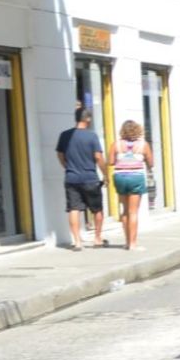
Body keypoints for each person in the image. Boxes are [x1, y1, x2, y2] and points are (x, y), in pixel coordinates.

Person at [57, 106, 106, 250]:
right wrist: (106, 174)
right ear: (88, 119)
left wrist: (66, 166)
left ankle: (77, 242)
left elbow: (60, 154)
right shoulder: (91, 136)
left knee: (73, 209)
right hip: (90, 178)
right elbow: (98, 157)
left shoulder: (64, 135)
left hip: (71, 178)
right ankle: (97, 239)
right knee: (97, 209)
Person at [110, 120, 153, 252]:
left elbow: (111, 162)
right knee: (133, 212)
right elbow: (151, 163)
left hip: (120, 177)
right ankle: (133, 244)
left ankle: (127, 242)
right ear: (138, 130)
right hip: (136, 177)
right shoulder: (143, 145)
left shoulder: (116, 144)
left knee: (125, 211)